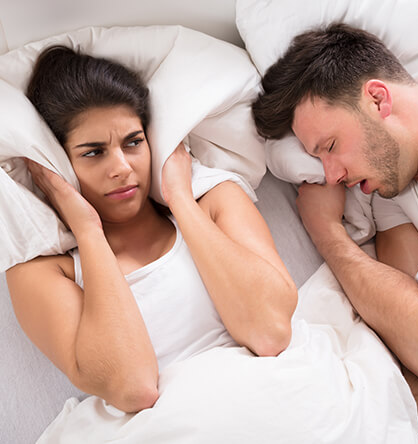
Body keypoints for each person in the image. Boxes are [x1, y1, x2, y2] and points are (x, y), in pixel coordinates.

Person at [6, 45, 298, 414]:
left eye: (133, 143)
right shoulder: (42, 272)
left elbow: (271, 332)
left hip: (279, 398)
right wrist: (89, 232)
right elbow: (134, 389)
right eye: (93, 152)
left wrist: (180, 201)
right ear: (58, 165)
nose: (122, 168)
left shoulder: (214, 201)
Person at [252, 23, 418, 443]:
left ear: (377, 98)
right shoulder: (392, 190)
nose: (333, 177)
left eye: (329, 146)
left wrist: (326, 231)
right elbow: (413, 341)